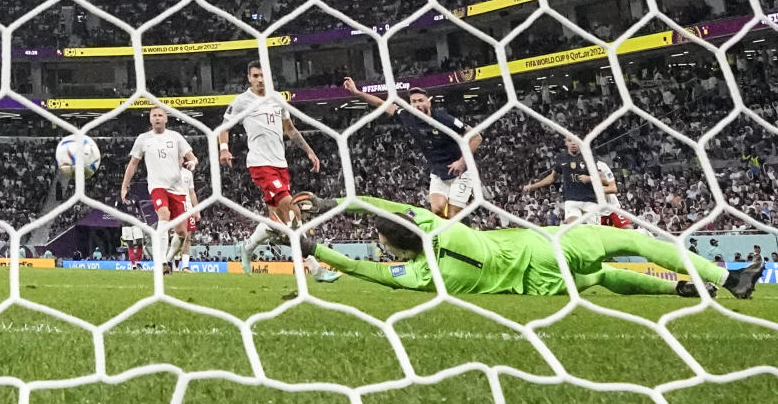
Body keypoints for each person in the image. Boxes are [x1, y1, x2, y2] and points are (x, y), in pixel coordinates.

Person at [297, 195, 765, 300]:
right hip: (543, 248)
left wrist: (315, 247)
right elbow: (390, 205)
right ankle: (730, 279)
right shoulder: (439, 227)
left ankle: (680, 291)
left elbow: (372, 273)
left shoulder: (424, 277)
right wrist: (337, 202)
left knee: (601, 277)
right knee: (631, 241)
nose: (386, 255)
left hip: (538, 285)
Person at [220, 61, 338, 282]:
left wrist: (309, 151)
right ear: (249, 77)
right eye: (255, 76)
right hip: (260, 164)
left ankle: (247, 247)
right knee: (291, 210)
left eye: (263, 75)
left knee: (276, 219)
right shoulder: (241, 102)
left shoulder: (277, 99)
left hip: (280, 164)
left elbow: (290, 129)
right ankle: (315, 268)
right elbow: (224, 128)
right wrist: (224, 149)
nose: (260, 80)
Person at [343, 78, 482, 219]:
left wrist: (462, 161)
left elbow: (476, 137)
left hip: (461, 173)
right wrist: (357, 92)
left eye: (421, 100)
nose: (417, 104)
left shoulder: (443, 119)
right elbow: (381, 103)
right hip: (439, 173)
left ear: (429, 101)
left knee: (454, 215)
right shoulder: (407, 116)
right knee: (438, 213)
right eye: (414, 101)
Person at [121, 107, 198, 271]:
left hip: (177, 189)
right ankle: (162, 262)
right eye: (154, 115)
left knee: (182, 233)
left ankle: (168, 259)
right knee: (164, 215)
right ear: (150, 119)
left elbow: (192, 157)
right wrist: (125, 185)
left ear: (166, 119)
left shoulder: (176, 137)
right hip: (157, 186)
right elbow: (133, 163)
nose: (157, 118)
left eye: (160, 115)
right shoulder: (143, 139)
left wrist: (193, 163)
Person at [524, 137, 608, 225]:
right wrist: (532, 186)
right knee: (572, 228)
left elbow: (603, 180)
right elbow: (552, 177)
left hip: (590, 201)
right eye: (570, 140)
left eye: (576, 141)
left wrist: (589, 178)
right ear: (566, 143)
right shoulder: (561, 157)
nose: (573, 143)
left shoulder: (588, 157)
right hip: (572, 201)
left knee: (593, 232)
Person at [166, 167, 198, 272]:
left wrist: (196, 209)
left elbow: (192, 192)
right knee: (180, 235)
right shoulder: (169, 171)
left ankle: (185, 266)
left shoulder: (188, 173)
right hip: (177, 207)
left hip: (188, 208)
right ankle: (167, 260)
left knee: (188, 237)